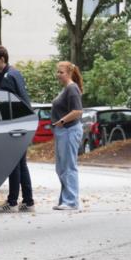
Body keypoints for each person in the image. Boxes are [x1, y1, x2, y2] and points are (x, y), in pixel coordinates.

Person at [0, 45, 35, 213]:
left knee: (13, 163)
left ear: (2, 60)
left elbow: (7, 105)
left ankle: (12, 202)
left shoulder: (7, 77)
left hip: (16, 124)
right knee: (21, 163)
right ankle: (28, 201)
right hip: (24, 122)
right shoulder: (14, 72)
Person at [51, 61, 84, 211]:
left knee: (69, 166)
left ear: (69, 73)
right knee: (61, 168)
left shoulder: (72, 88)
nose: (58, 75)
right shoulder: (66, 88)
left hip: (69, 130)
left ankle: (71, 201)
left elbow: (78, 111)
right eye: (57, 72)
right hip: (63, 131)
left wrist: (62, 121)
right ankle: (65, 199)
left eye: (61, 72)